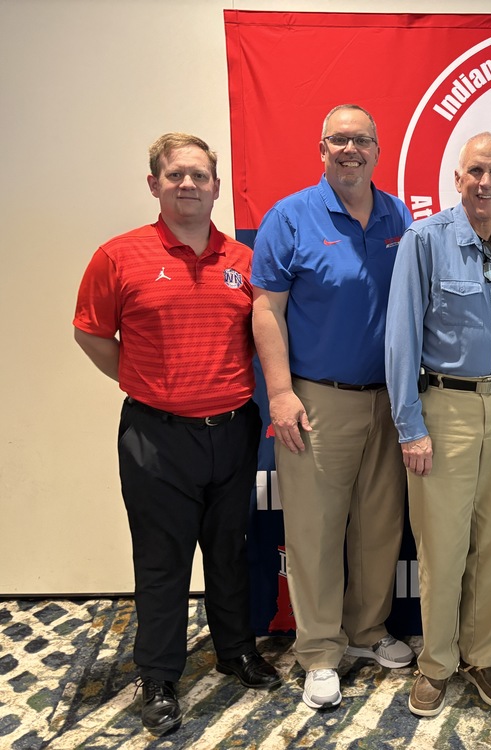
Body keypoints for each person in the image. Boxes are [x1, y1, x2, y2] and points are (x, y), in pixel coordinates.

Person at [73, 133, 280, 737]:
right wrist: (146, 384)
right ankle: (159, 674)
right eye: (175, 176)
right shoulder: (119, 256)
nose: (187, 185)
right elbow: (91, 333)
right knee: (162, 562)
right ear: (154, 184)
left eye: (199, 176)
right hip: (156, 438)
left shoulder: (243, 261)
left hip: (233, 430)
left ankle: (236, 650)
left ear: (216, 185)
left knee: (228, 550)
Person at [251, 104, 414, 710]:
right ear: (322, 148)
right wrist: (280, 391)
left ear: (378, 147)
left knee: (379, 525)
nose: (351, 150)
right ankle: (319, 648)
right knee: (316, 529)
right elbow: (265, 308)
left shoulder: (398, 213)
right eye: (339, 140)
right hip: (317, 397)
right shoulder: (290, 216)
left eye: (361, 140)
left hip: (392, 400)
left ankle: (367, 631)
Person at [385, 132, 491, 717]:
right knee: (443, 544)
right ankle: (437, 663)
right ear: (457, 179)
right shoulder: (423, 241)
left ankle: (486, 655)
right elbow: (400, 336)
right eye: (475, 171)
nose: (485, 183)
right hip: (442, 410)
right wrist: (409, 425)